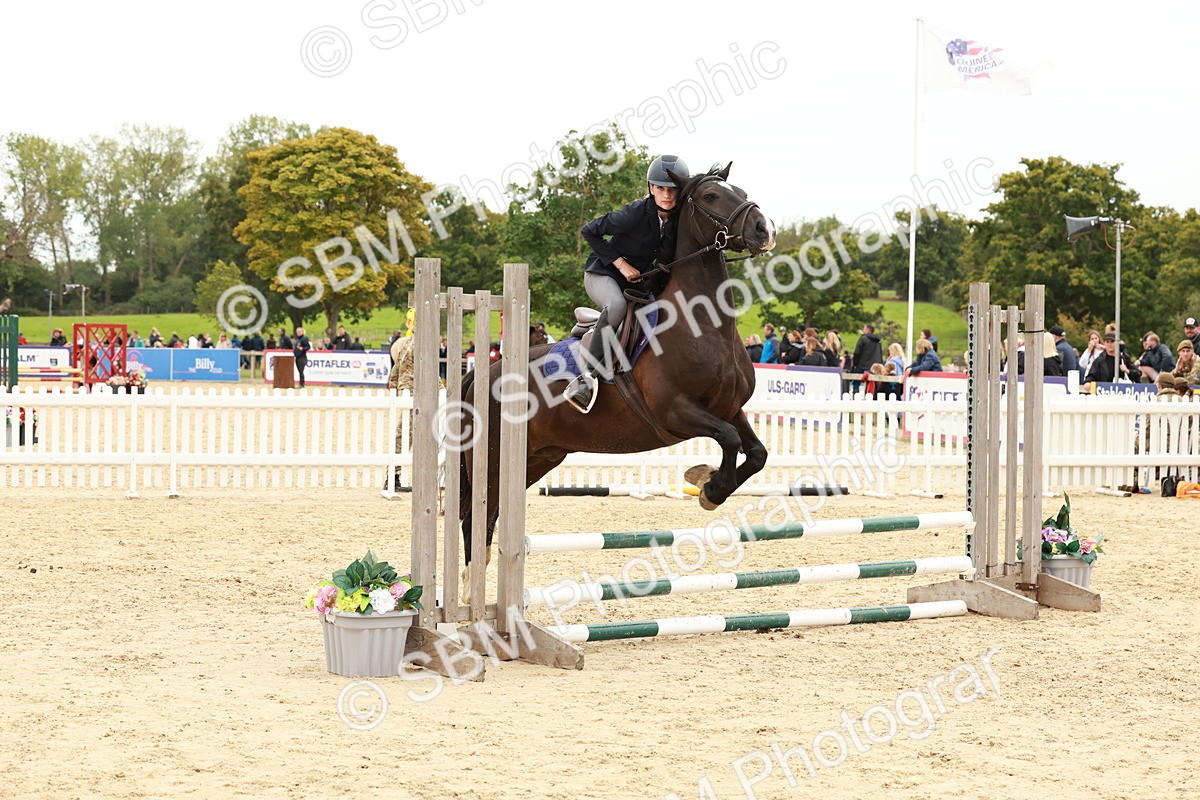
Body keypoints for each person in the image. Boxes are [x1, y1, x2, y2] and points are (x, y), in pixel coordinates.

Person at [563, 154, 689, 413]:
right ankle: (585, 379)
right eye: (660, 188)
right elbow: (589, 230)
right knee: (617, 305)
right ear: (651, 188)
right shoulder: (634, 213)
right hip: (603, 273)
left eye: (672, 189)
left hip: (637, 283)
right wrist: (620, 264)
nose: (666, 194)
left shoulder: (677, 221)